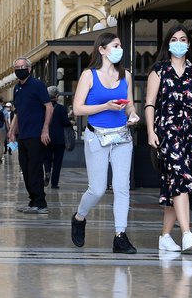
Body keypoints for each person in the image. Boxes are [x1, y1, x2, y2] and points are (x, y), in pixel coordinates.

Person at [146, 24, 192, 253]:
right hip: (167, 131)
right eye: (175, 39)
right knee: (181, 178)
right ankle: (187, 234)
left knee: (177, 184)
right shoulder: (159, 70)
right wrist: (150, 130)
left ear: (189, 44)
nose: (179, 43)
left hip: (191, 133)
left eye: (183, 39)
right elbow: (149, 103)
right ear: (168, 43)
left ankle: (165, 237)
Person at [71, 32, 140, 254]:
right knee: (98, 189)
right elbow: (78, 109)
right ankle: (80, 216)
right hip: (96, 136)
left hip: (121, 136)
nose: (119, 49)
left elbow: (129, 104)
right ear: (102, 49)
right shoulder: (88, 76)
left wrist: (132, 114)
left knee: (122, 187)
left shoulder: (125, 75)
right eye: (115, 45)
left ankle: (120, 235)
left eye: (120, 45)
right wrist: (105, 106)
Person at [6, 58, 52, 214]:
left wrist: (45, 129)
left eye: (22, 67)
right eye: (17, 67)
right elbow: (18, 112)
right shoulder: (17, 88)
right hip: (23, 135)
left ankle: (41, 203)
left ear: (29, 69)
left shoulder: (37, 85)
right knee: (25, 169)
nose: (19, 69)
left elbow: (49, 107)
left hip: (36, 134)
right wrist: (12, 131)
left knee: (34, 169)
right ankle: (33, 201)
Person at [44, 86, 73, 189]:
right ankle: (54, 183)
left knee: (47, 158)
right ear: (56, 97)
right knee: (57, 161)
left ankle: (47, 171)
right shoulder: (61, 109)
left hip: (46, 137)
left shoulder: (43, 107)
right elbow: (66, 122)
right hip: (59, 139)